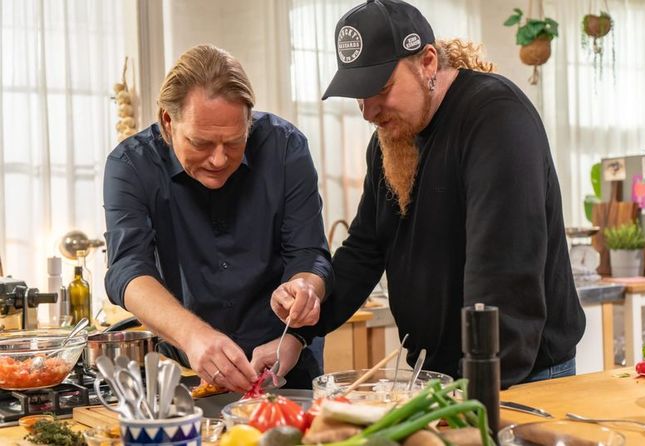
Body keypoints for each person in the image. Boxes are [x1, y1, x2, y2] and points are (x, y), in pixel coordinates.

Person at [272, 0, 586, 388]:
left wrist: (479, 391)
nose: (368, 111)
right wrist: (300, 328)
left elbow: (503, 274)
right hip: (444, 376)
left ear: (428, 63)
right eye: (358, 95)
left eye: (381, 88)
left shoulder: (494, 118)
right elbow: (365, 250)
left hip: (518, 377)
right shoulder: (390, 139)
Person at [104, 44, 332, 391]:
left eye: (235, 141)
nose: (219, 159)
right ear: (168, 120)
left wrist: (305, 289)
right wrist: (193, 336)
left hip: (283, 365)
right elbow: (127, 269)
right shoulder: (130, 165)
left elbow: (309, 254)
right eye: (201, 143)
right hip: (185, 373)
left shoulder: (286, 148)